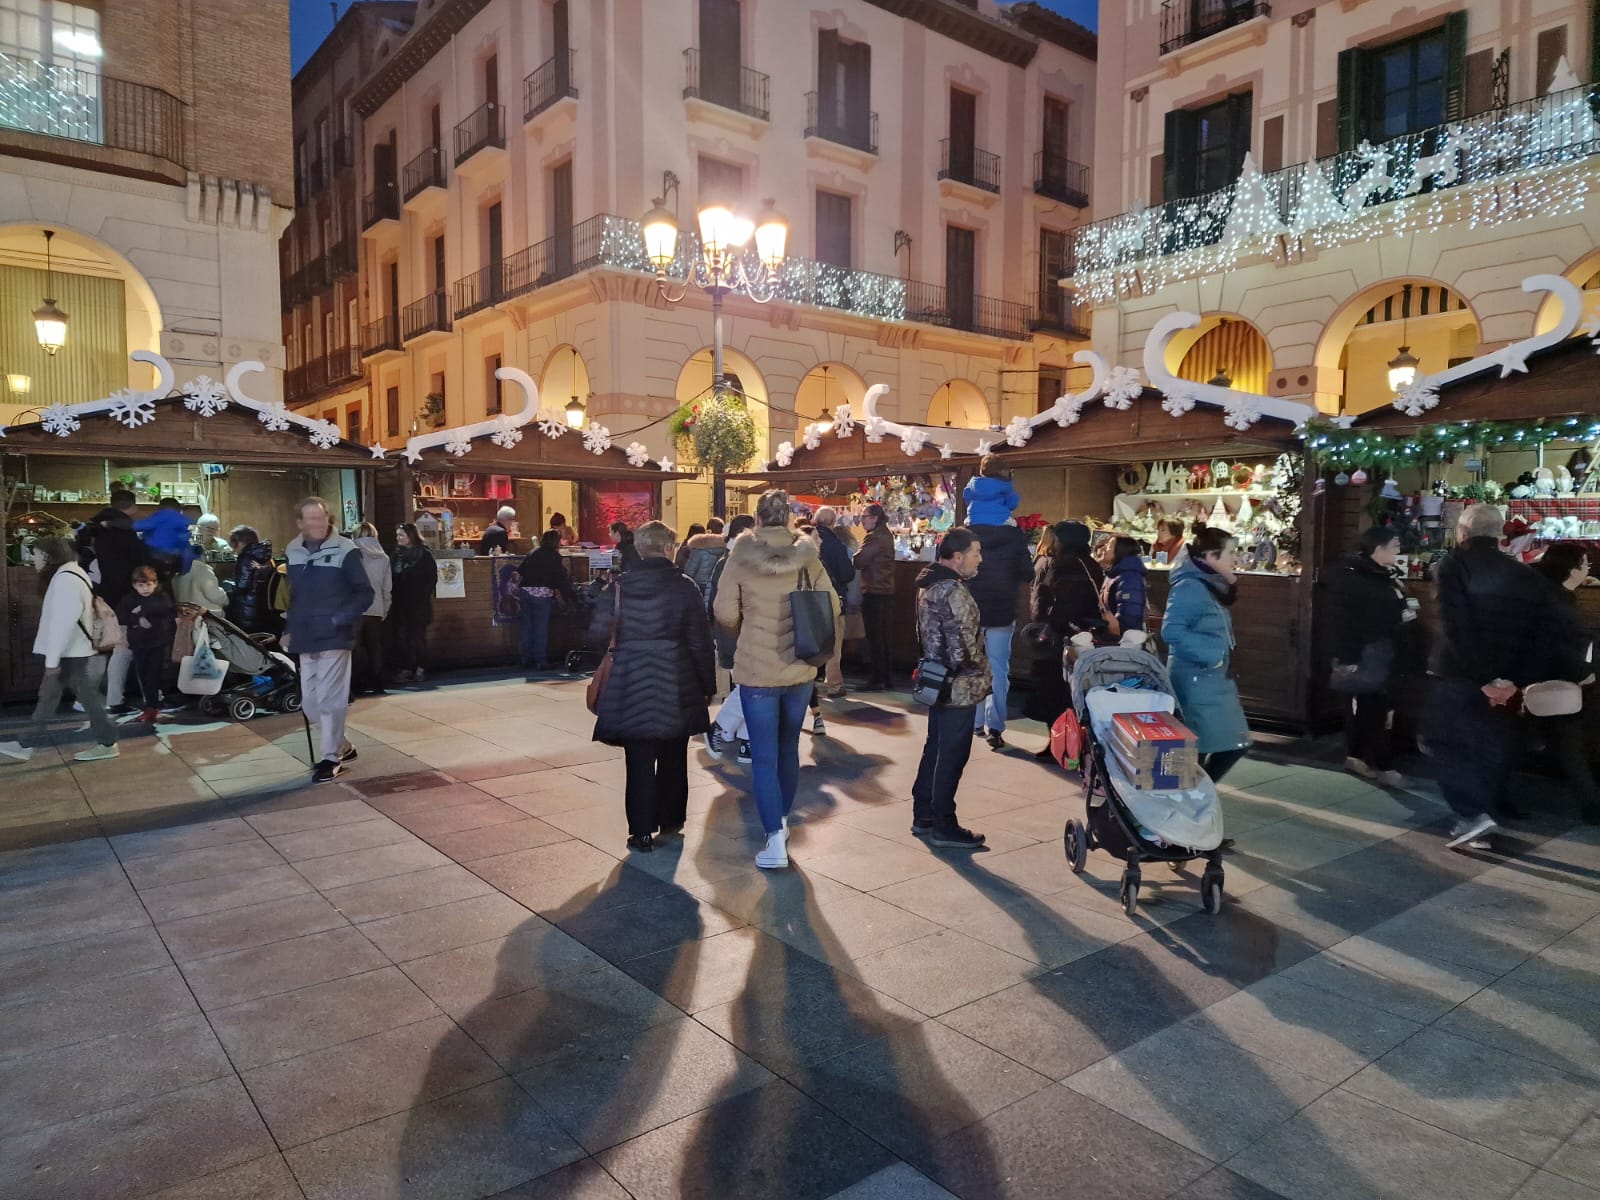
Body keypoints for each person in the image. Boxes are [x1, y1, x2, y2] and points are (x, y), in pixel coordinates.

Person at [1428, 503, 1586, 849]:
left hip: (1460, 675)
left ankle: (1472, 815)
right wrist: (1513, 680)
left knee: (1447, 743)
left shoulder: (1454, 566)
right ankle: (1482, 817)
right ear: (1501, 534)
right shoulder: (1524, 574)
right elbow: (1546, 633)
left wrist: (1482, 678)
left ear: (1462, 533)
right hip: (1505, 681)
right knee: (1491, 747)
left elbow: (1456, 626)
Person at [715, 490, 841, 869]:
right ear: (787, 518)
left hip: (757, 670)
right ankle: (782, 822)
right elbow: (833, 605)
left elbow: (723, 611)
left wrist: (744, 625)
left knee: (763, 756)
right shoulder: (807, 555)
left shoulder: (740, 555)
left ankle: (773, 840)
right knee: (788, 750)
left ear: (756, 518)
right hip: (800, 668)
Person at [592, 521, 716, 852]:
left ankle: (642, 831)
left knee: (639, 758)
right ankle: (671, 818)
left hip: (631, 679)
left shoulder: (619, 586)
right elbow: (700, 642)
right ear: (667, 548)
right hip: (677, 680)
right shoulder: (685, 587)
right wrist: (707, 684)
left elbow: (595, 631)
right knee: (674, 753)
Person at [0, 537, 119, 764]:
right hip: (72, 651)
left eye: (35, 554)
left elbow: (62, 623)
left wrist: (52, 661)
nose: (33, 559)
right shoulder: (72, 574)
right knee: (51, 698)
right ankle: (25, 743)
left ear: (47, 556)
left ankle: (107, 742)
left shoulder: (65, 580)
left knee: (86, 699)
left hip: (70, 653)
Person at [283, 497, 374, 783]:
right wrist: (290, 628)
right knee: (309, 702)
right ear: (300, 522)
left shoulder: (346, 549)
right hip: (306, 635)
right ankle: (342, 745)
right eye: (310, 519)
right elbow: (295, 596)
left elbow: (364, 593)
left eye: (321, 518)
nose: (317, 524)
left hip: (335, 635)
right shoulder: (293, 550)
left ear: (328, 519)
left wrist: (339, 619)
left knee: (329, 698)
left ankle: (329, 759)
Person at [912, 528, 990, 847]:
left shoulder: (928, 585)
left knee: (936, 746)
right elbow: (962, 645)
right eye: (975, 553)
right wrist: (977, 668)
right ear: (957, 557)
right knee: (952, 753)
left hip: (936, 678)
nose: (979, 559)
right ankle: (944, 822)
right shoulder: (953, 591)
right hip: (958, 684)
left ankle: (924, 813)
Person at [1323, 526, 1413, 788]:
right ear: (1378, 549)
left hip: (1381, 651)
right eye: (1394, 545)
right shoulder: (1352, 576)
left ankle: (1356, 756)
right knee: (1372, 708)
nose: (1399, 550)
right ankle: (1383, 765)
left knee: (1368, 708)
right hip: (1365, 653)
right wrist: (1346, 657)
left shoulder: (1382, 575)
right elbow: (1341, 621)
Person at [1162, 527, 1251, 788]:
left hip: (1209, 679)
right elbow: (1171, 630)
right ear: (1211, 556)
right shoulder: (1190, 587)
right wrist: (1213, 655)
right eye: (1231, 553)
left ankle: (1194, 796)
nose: (1235, 558)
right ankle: (1191, 796)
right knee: (1206, 745)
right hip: (1196, 679)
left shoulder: (1208, 584)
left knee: (1220, 743)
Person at [1531, 543, 1598, 823]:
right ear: (1572, 569)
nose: (1588, 569)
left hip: (1552, 680)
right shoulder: (1558, 603)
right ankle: (1592, 806)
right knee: (1570, 742)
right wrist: (1583, 673)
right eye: (1585, 564)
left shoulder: (1549, 592)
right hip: (1560, 682)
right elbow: (1559, 646)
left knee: (1563, 741)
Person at [964, 502, 1035, 749]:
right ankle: (995, 726)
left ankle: (974, 721)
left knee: (973, 665)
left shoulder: (967, 533)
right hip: (1002, 609)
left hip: (970, 609)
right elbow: (1028, 572)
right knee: (999, 670)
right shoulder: (1015, 536)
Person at [1025, 520, 1103, 725]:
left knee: (1056, 691)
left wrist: (1049, 625)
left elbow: (1063, 602)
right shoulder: (1090, 563)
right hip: (1085, 635)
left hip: (1064, 637)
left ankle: (1060, 742)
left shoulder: (1065, 564)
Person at [78, 488, 143, 712]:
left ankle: (84, 698)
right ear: (132, 507)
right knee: (121, 648)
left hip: (96, 596)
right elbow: (138, 559)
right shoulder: (124, 530)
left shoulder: (93, 528)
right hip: (121, 596)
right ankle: (114, 699)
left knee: (99, 646)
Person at [704, 513, 757, 761]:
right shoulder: (734, 563)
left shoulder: (732, 561)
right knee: (750, 687)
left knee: (750, 687)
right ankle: (722, 726)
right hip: (740, 637)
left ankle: (746, 740)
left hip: (740, 635)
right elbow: (725, 606)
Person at [115, 565, 175, 723]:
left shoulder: (161, 598)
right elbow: (122, 616)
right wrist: (137, 618)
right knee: (143, 675)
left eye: (148, 584)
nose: (145, 589)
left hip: (158, 642)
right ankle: (151, 706)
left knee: (154, 674)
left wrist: (140, 611)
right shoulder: (129, 599)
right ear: (134, 585)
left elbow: (166, 610)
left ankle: (152, 706)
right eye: (141, 585)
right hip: (138, 643)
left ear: (155, 583)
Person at [514, 529, 579, 670]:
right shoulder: (554, 556)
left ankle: (525, 659)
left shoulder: (533, 552)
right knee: (540, 629)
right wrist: (570, 595)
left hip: (525, 592)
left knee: (526, 627)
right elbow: (560, 578)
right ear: (556, 542)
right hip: (541, 595)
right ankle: (540, 661)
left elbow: (520, 572)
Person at [813, 506, 857, 698]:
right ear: (832, 523)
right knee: (834, 644)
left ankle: (806, 684)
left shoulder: (804, 542)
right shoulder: (835, 545)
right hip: (832, 598)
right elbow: (847, 573)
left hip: (809, 600)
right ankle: (834, 684)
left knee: (810, 642)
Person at [854, 502, 897, 690]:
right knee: (882, 636)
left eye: (864, 517)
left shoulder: (875, 537)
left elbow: (859, 560)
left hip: (876, 590)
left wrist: (854, 556)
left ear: (875, 518)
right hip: (884, 590)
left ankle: (879, 677)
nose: (862, 521)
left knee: (875, 636)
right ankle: (884, 677)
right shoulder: (884, 535)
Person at [390, 523, 437, 683]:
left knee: (417, 637)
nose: (398, 538)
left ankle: (421, 667)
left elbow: (432, 579)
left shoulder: (424, 554)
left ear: (411, 536)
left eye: (401, 535)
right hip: (400, 603)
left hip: (418, 603)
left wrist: (422, 595)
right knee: (403, 637)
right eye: (397, 535)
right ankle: (407, 667)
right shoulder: (396, 554)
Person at [351, 523, 393, 694]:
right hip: (376, 608)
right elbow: (387, 588)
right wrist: (385, 609)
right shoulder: (384, 558)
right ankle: (377, 681)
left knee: (354, 648)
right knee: (374, 647)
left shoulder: (350, 554)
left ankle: (356, 683)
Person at [226, 525, 277, 635]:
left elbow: (243, 585)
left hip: (245, 609)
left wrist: (229, 588)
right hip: (259, 607)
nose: (233, 548)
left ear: (240, 542)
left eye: (233, 543)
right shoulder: (261, 555)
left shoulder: (246, 557)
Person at [135, 497, 198, 577]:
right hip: (178, 562)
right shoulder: (188, 521)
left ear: (159, 508)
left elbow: (135, 527)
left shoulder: (158, 517)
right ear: (179, 509)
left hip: (153, 560)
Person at [1101, 537, 1149, 639]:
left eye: (1109, 546)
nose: (1104, 549)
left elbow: (1130, 614)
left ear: (1120, 551)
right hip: (1114, 637)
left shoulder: (1129, 577)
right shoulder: (1114, 573)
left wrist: (1119, 634)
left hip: (1124, 642)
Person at [963, 455, 1021, 527]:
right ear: (1001, 470)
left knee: (966, 522)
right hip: (1000, 519)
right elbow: (1012, 503)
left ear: (981, 470)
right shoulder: (1005, 485)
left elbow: (966, 498)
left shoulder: (972, 484)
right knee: (1014, 525)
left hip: (974, 519)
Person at [681, 523, 729, 595]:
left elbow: (690, 570)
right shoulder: (723, 549)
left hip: (699, 584)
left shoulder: (698, 549)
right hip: (716, 584)